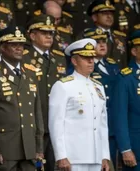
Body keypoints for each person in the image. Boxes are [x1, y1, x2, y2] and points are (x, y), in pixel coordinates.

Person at [0, 25, 44, 171]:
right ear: (2, 47)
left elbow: (37, 113)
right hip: (5, 150)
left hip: (29, 150)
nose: (18, 48)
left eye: (21, 45)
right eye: (13, 45)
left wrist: (39, 147)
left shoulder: (31, 73)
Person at [49, 38, 110, 171]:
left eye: (92, 57)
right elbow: (56, 124)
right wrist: (61, 155)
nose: (90, 61)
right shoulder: (63, 86)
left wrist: (105, 155)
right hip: (73, 157)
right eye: (85, 57)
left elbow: (102, 124)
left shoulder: (98, 86)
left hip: (96, 156)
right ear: (74, 61)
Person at [23, 14, 66, 171]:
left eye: (51, 33)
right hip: (34, 124)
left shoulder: (59, 58)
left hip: (56, 123)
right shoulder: (24, 58)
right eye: (44, 32)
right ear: (32, 35)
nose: (49, 36)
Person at [82, 27, 119, 170]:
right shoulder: (83, 67)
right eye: (97, 42)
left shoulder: (113, 65)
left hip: (113, 124)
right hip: (94, 125)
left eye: (104, 41)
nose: (102, 44)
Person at [112, 30, 140, 171]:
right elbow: (120, 116)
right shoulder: (126, 78)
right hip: (136, 150)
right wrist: (125, 149)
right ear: (134, 52)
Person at [87, 0, 128, 68]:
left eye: (111, 13)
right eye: (104, 13)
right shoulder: (87, 36)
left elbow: (124, 62)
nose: (109, 16)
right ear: (94, 17)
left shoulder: (120, 37)